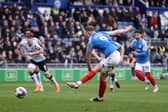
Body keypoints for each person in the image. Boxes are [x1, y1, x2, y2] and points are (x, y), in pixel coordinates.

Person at [67, 25, 132, 102]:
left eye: (85, 34)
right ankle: (100, 97)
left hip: (111, 56)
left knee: (96, 69)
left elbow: (87, 57)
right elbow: (116, 32)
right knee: (102, 78)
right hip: (116, 54)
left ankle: (78, 83)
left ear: (88, 33)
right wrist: (125, 30)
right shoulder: (102, 33)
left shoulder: (91, 41)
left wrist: (89, 68)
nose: (85, 36)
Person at [17, 28, 60, 93]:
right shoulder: (23, 42)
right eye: (27, 39)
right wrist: (21, 53)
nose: (29, 41)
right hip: (33, 60)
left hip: (41, 60)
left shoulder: (35, 42)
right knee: (30, 69)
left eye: (30, 39)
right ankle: (38, 85)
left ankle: (57, 85)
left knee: (47, 75)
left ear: (32, 38)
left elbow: (41, 51)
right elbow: (18, 47)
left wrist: (32, 53)